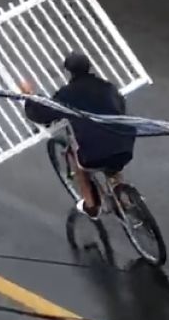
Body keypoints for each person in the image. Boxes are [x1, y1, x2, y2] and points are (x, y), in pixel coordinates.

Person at [21, 52, 136, 218]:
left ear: (69, 71)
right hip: (124, 144)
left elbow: (41, 114)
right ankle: (120, 191)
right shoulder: (108, 86)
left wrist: (29, 95)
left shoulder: (67, 94)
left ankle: (91, 204)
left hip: (95, 153)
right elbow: (120, 106)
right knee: (111, 149)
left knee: (80, 161)